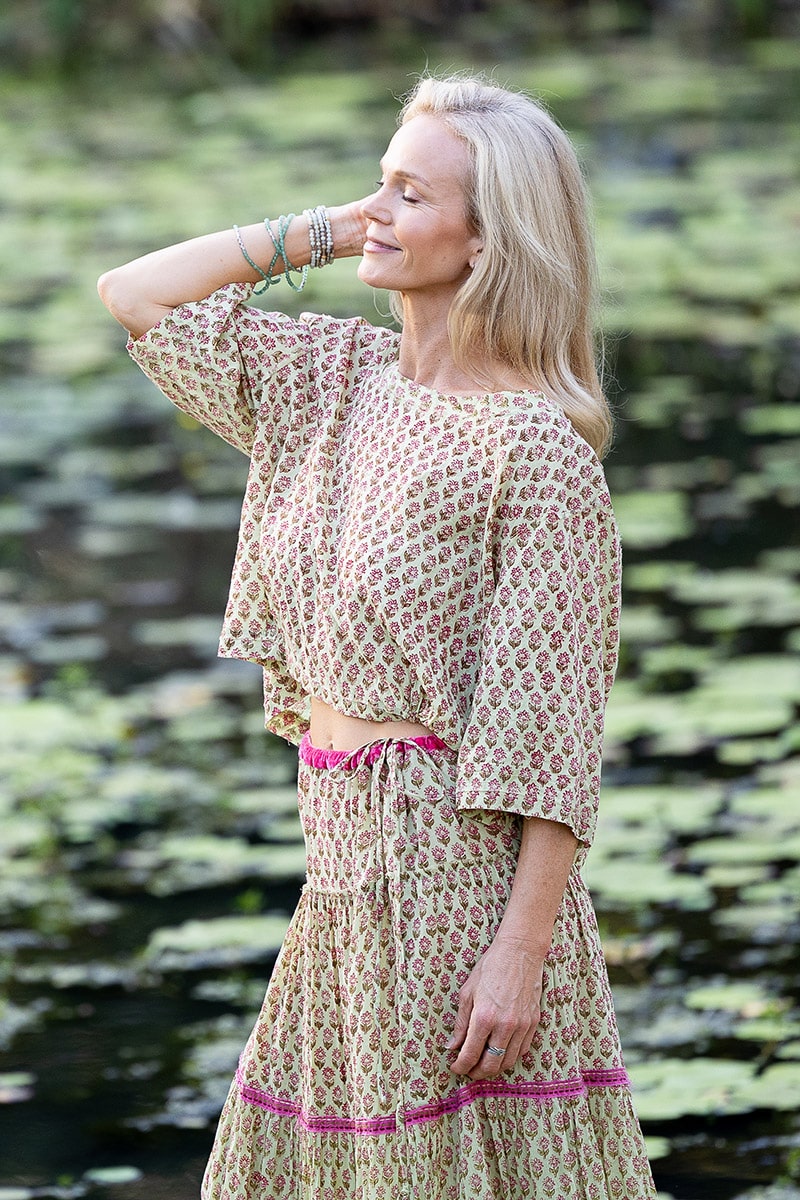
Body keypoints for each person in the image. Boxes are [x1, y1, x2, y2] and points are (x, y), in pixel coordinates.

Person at [98, 72, 656, 1200]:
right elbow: (137, 295)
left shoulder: (533, 451)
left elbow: (552, 733)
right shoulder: (328, 377)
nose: (380, 210)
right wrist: (329, 228)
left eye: (411, 195)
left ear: (488, 238)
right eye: (382, 182)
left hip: (453, 876)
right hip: (341, 866)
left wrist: (519, 956)